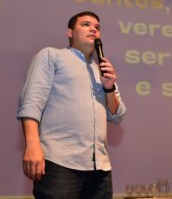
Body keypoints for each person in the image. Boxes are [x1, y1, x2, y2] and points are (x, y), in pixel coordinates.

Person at [16, 11, 126, 199]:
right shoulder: (51, 56)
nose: (93, 29)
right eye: (85, 24)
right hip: (59, 163)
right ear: (70, 32)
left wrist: (109, 88)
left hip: (100, 167)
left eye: (97, 27)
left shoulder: (103, 69)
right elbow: (31, 103)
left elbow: (117, 116)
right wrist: (32, 145)